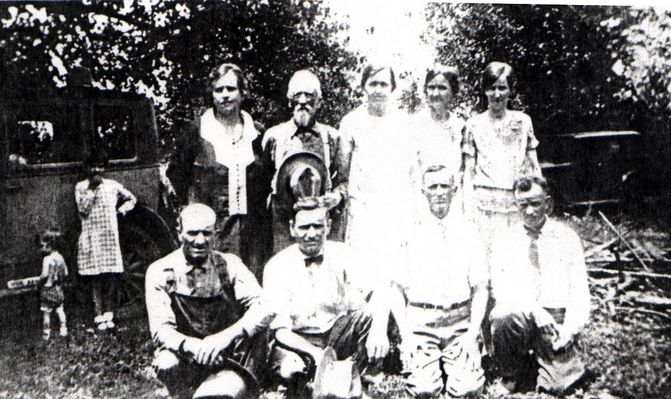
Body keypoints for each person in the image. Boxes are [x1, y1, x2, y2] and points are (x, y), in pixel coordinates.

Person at [262, 202, 392, 397]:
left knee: (371, 314)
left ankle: (361, 377)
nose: (312, 234)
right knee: (291, 371)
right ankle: (316, 381)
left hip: (337, 334)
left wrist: (379, 331)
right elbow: (281, 332)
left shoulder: (343, 253)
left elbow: (380, 288)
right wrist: (316, 354)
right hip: (299, 340)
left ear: (329, 226)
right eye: (304, 227)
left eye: (318, 226)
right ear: (292, 228)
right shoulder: (277, 266)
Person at [145, 204, 272, 399]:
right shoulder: (160, 271)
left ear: (215, 234)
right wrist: (193, 346)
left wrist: (225, 338)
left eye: (207, 233)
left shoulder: (229, 264)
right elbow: (161, 330)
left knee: (221, 394)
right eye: (192, 233)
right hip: (186, 356)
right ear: (179, 232)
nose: (200, 241)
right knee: (166, 363)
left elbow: (265, 307)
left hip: (228, 357)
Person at [488, 176, 590, 394]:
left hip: (556, 321)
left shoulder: (567, 238)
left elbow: (580, 291)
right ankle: (511, 374)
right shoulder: (504, 240)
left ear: (548, 203)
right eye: (523, 204)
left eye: (535, 203)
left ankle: (550, 361)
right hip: (522, 315)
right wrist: (536, 311)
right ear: (515, 206)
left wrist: (569, 331)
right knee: (502, 315)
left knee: (557, 386)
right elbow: (501, 289)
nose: (529, 211)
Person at [167, 62, 270, 277]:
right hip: (211, 233)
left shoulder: (257, 133)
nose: (225, 95)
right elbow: (176, 174)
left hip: (252, 233)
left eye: (231, 89)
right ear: (212, 94)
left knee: (251, 285)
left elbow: (266, 179)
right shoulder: (196, 131)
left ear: (242, 93)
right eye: (218, 90)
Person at [395, 165, 488, 397]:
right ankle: (428, 370)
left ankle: (458, 367)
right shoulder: (408, 232)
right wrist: (406, 335)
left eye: (444, 186)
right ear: (423, 191)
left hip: (459, 325)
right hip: (421, 325)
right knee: (425, 390)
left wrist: (472, 334)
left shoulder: (469, 231)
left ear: (454, 190)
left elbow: (480, 289)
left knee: (468, 389)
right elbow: (395, 289)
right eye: (433, 187)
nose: (438, 192)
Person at [340, 64, 415, 287]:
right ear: (363, 86)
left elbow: (411, 170)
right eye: (373, 84)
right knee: (364, 274)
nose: (378, 90)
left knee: (395, 272)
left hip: (395, 209)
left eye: (384, 84)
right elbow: (343, 170)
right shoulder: (351, 122)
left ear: (392, 88)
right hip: (363, 210)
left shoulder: (404, 122)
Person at [262, 69, 352, 253]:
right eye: (297, 95)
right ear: (289, 101)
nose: (303, 101)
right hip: (283, 228)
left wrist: (335, 197)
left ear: (319, 102)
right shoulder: (273, 137)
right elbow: (262, 182)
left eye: (309, 96)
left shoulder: (334, 138)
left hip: (320, 226)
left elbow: (344, 182)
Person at [462, 61, 542, 259]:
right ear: (484, 91)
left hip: (516, 202)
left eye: (502, 88)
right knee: (486, 257)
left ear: (510, 90)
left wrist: (537, 200)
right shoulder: (473, 124)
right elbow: (469, 170)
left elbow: (535, 166)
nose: (497, 94)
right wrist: (468, 206)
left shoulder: (523, 121)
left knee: (516, 257)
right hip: (485, 204)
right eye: (491, 88)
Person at [76, 152, 136, 331]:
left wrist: (122, 211)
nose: (96, 170)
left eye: (100, 166)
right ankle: (98, 314)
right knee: (95, 278)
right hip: (91, 238)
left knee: (110, 276)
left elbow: (131, 198)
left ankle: (109, 313)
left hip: (109, 237)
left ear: (104, 167)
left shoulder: (112, 186)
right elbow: (83, 210)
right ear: (86, 168)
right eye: (92, 166)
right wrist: (92, 190)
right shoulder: (81, 187)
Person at [411, 65, 466, 180]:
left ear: (453, 91)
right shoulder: (414, 125)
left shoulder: (460, 127)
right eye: (431, 87)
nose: (435, 94)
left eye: (442, 88)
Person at [38, 228, 69, 340]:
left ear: (50, 245)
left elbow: (44, 275)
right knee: (60, 310)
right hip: (58, 288)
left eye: (43, 246)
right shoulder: (60, 257)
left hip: (48, 289)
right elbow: (65, 272)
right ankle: (63, 329)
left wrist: (39, 281)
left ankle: (46, 333)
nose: (41, 248)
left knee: (46, 313)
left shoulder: (47, 259)